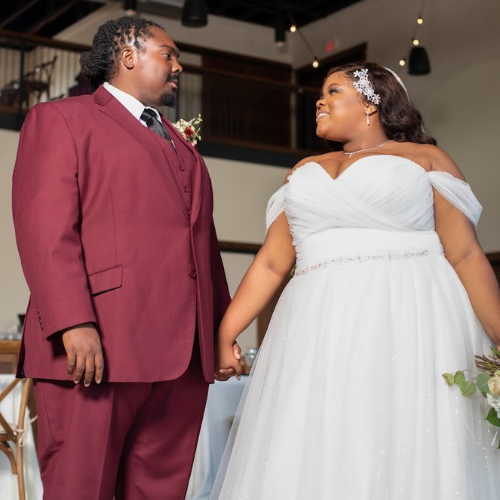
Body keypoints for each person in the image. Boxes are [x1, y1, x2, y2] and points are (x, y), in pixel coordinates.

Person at [211, 62, 500, 499]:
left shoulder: (426, 160)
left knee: (401, 430)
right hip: (317, 324)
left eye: (333, 92)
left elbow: (464, 254)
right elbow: (271, 263)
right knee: (315, 432)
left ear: (370, 104)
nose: (320, 101)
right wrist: (226, 330)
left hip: (409, 314)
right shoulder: (303, 170)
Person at [12, 16, 239, 500]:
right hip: (97, 350)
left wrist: (220, 332)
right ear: (129, 55)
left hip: (182, 361)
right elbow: (45, 232)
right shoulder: (60, 120)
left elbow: (204, 249)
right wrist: (74, 322)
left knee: (160, 492)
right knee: (81, 489)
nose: (178, 66)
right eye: (169, 54)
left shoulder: (184, 147)